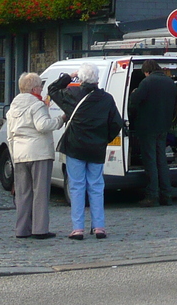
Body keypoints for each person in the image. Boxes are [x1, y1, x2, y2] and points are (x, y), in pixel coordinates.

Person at [48, 63, 123, 240]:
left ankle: (78, 228)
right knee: (96, 186)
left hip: (75, 147)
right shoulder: (107, 99)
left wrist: (69, 76)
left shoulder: (72, 94)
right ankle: (99, 227)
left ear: (80, 79)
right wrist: (104, 139)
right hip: (96, 148)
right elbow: (116, 124)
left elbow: (52, 89)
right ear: (97, 79)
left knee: (76, 186)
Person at [7, 72, 61, 239]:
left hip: (20, 154)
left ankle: (22, 229)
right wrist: (60, 119)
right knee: (40, 192)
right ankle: (40, 229)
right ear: (35, 88)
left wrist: (14, 155)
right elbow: (43, 125)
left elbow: (10, 136)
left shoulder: (13, 107)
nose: (42, 89)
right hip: (38, 153)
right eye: (40, 86)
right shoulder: (36, 105)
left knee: (23, 193)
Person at [128, 60, 177, 207]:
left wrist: (133, 93)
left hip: (147, 127)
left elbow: (134, 102)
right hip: (164, 126)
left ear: (146, 71)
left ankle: (152, 196)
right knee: (161, 160)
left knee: (150, 161)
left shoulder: (147, 82)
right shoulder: (170, 83)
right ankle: (167, 195)